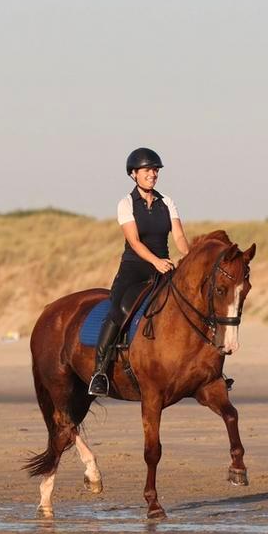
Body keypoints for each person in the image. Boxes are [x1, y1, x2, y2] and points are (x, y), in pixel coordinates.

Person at [88, 148, 190, 396]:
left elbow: (178, 235)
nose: (153, 174)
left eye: (155, 170)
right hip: (135, 268)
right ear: (134, 174)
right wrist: (156, 261)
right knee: (118, 309)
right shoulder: (126, 204)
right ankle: (99, 371)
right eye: (147, 170)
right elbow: (134, 241)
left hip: (163, 266)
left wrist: (188, 257)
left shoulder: (167, 202)